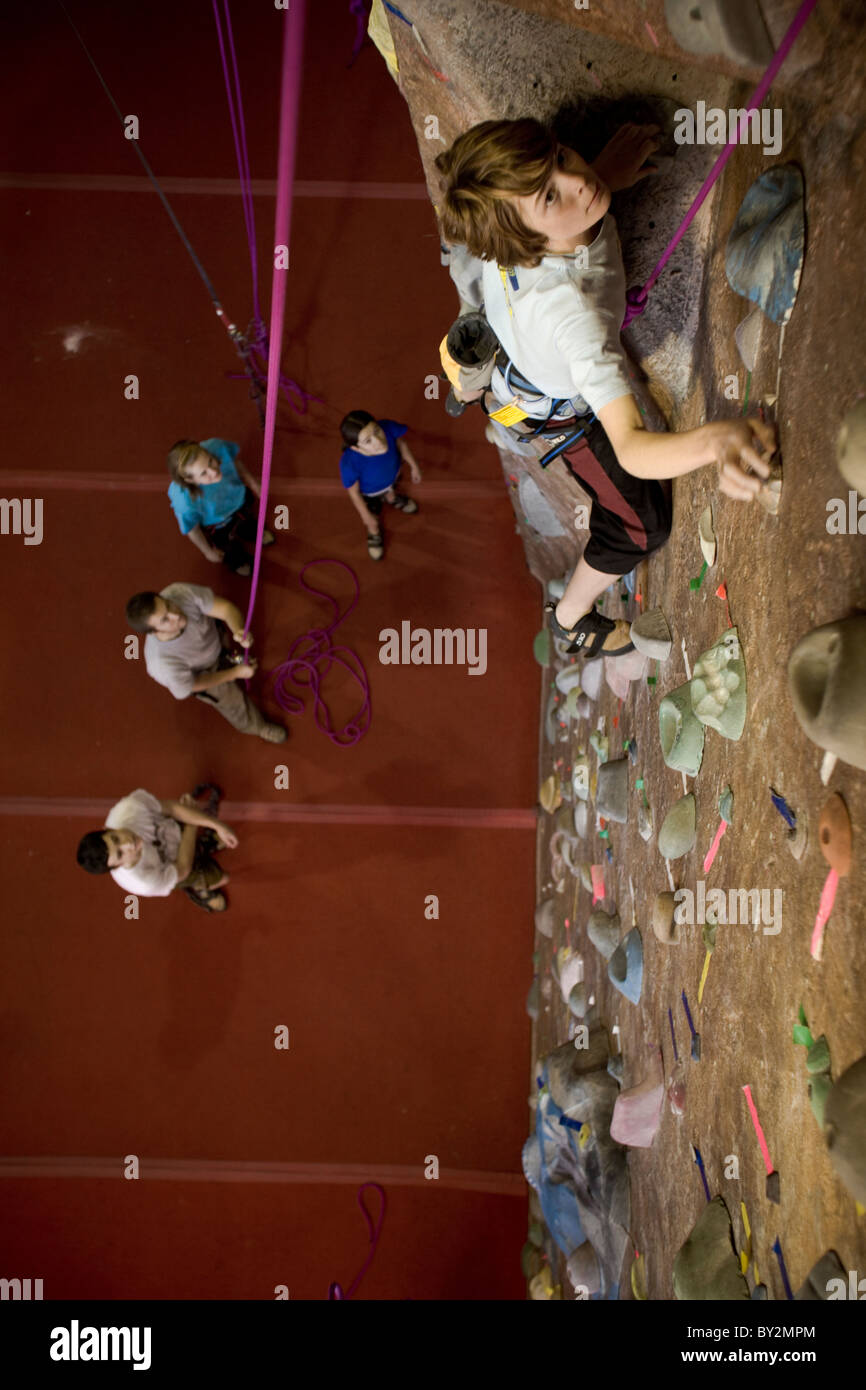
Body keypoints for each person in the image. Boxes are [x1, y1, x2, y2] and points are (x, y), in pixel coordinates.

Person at [434, 119, 778, 657]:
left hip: (515, 348)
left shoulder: (504, 230)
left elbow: (537, 203)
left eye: (563, 156)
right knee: (641, 526)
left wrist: (603, 177)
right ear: (524, 243)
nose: (579, 182)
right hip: (549, 412)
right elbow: (633, 449)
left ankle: (482, 397)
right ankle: (570, 619)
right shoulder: (574, 317)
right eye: (552, 194)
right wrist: (716, 442)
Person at [125, 582, 287, 742]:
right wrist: (234, 674)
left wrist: (237, 629)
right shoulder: (163, 664)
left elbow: (225, 609)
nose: (176, 615)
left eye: (168, 604)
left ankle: (230, 661)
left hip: (215, 640)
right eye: (165, 620)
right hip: (204, 674)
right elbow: (192, 685)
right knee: (233, 704)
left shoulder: (179, 592)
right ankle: (258, 727)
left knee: (230, 657)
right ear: (154, 632)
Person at [75, 784, 236, 913]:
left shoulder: (129, 808)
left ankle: (202, 844)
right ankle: (199, 888)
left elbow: (172, 809)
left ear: (108, 828)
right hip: (175, 866)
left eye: (116, 838)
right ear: (116, 867)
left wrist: (217, 825)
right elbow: (183, 868)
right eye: (120, 853)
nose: (128, 844)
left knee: (210, 832)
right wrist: (192, 824)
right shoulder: (142, 882)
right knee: (223, 878)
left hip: (172, 832)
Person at [166, 437, 274, 577]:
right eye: (203, 473)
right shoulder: (185, 503)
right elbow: (193, 530)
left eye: (210, 460)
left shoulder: (218, 447)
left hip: (239, 500)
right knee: (228, 548)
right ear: (190, 480)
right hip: (218, 524)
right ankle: (239, 561)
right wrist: (208, 551)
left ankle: (253, 532)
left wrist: (252, 483)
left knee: (247, 521)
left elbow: (235, 464)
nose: (214, 471)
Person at [339, 411, 422, 561]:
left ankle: (391, 498)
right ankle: (374, 532)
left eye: (376, 430)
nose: (379, 441)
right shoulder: (349, 463)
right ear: (356, 448)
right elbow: (353, 492)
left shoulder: (388, 427)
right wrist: (365, 516)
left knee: (391, 492)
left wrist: (413, 466)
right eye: (368, 441)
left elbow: (401, 443)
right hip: (370, 493)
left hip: (393, 478)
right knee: (373, 519)